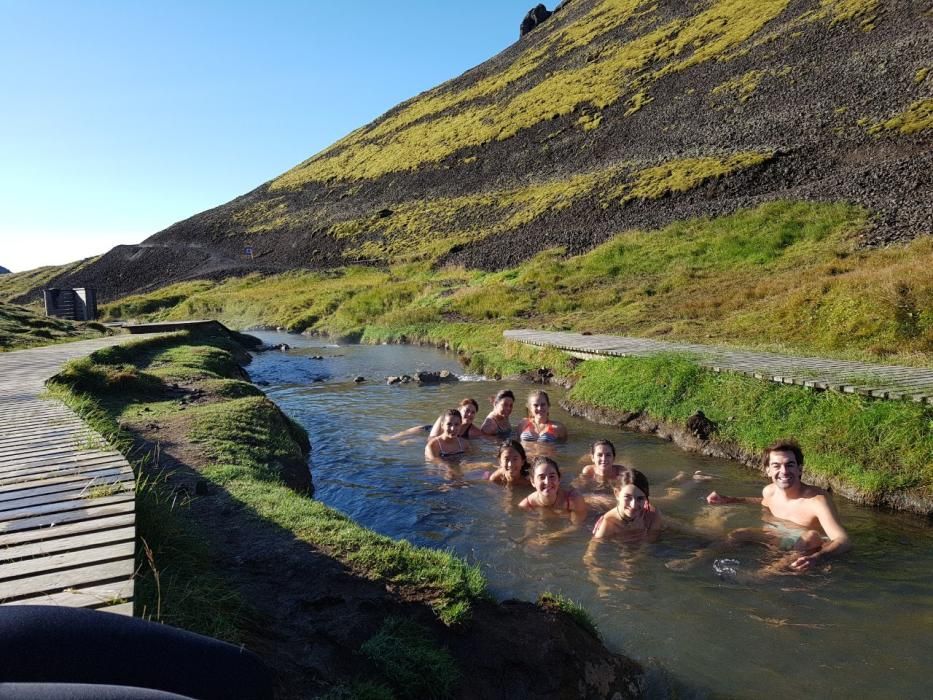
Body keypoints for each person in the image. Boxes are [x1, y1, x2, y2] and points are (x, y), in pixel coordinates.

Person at [674, 439, 851, 573]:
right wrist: (730, 499)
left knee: (810, 536)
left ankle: (759, 577)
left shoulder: (817, 501)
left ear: (799, 469)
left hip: (804, 547)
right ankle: (696, 559)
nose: (784, 471)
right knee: (738, 533)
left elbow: (843, 540)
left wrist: (817, 558)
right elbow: (763, 502)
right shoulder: (770, 491)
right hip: (776, 537)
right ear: (767, 470)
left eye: (790, 465)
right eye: (776, 466)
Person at [591, 469, 663, 543]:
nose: (633, 505)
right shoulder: (609, 523)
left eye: (640, 498)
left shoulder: (652, 516)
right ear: (617, 494)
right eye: (628, 497)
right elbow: (591, 551)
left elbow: (651, 543)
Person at [518, 456, 587, 523]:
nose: (547, 482)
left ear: (559, 479)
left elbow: (576, 526)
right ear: (532, 481)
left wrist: (551, 535)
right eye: (541, 477)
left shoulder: (574, 499)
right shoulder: (526, 505)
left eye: (552, 476)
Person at [382, 397, 485, 441]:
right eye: (467, 411)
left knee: (408, 442)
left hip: (440, 438)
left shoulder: (473, 431)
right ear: (459, 410)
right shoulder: (444, 418)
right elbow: (431, 438)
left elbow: (486, 439)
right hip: (428, 430)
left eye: (473, 412)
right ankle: (387, 437)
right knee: (395, 438)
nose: (469, 414)